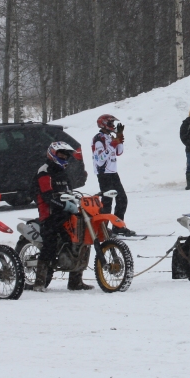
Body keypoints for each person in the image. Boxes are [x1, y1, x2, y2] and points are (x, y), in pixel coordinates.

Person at [32, 141, 89, 291]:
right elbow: (47, 196)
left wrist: (76, 202)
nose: (64, 157)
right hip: (49, 214)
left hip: (65, 212)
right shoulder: (44, 171)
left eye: (65, 154)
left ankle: (75, 281)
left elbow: (70, 192)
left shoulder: (63, 172)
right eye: (61, 154)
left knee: (81, 239)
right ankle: (39, 282)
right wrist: (63, 205)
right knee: (49, 243)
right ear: (53, 153)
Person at [92, 114, 135, 236]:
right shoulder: (98, 138)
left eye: (113, 124)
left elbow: (119, 152)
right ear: (104, 124)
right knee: (107, 202)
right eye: (110, 123)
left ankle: (117, 226)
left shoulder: (109, 137)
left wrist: (119, 137)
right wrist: (113, 144)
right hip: (103, 173)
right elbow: (100, 159)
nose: (113, 126)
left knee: (122, 199)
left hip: (113, 172)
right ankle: (103, 229)